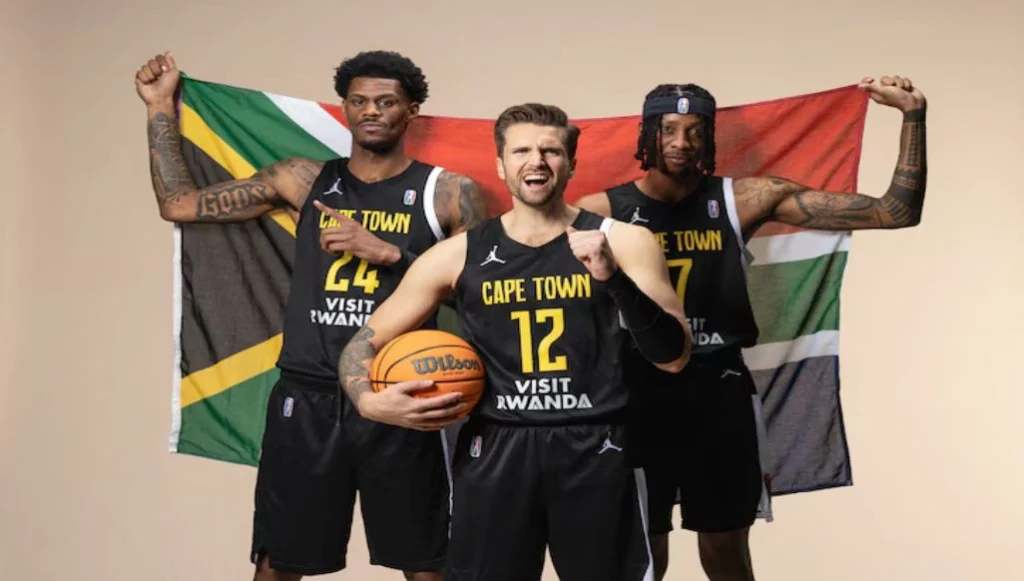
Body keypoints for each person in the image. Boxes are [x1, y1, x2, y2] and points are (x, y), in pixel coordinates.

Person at [134, 49, 490, 581]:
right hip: (307, 396)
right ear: (345, 107)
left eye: (386, 102)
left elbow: (487, 298)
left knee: (428, 566)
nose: (371, 111)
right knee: (278, 564)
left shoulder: (449, 193)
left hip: (402, 393)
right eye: (359, 101)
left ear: (411, 110)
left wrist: (391, 254)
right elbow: (179, 204)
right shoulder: (302, 180)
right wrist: (159, 105)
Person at [575, 74, 928, 581]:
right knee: (642, 558)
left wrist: (913, 115)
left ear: (711, 137)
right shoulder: (599, 212)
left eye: (696, 131)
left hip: (717, 392)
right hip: (636, 393)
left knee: (727, 556)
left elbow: (895, 212)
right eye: (668, 129)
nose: (682, 142)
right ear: (646, 133)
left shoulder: (743, 199)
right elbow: (516, 250)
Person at [336, 103, 694, 581]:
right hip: (496, 448)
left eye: (551, 151)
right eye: (521, 151)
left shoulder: (624, 241)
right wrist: (369, 402)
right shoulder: (457, 255)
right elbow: (361, 344)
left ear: (571, 163)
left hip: (599, 445)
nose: (537, 161)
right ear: (501, 166)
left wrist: (613, 279)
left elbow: (674, 357)